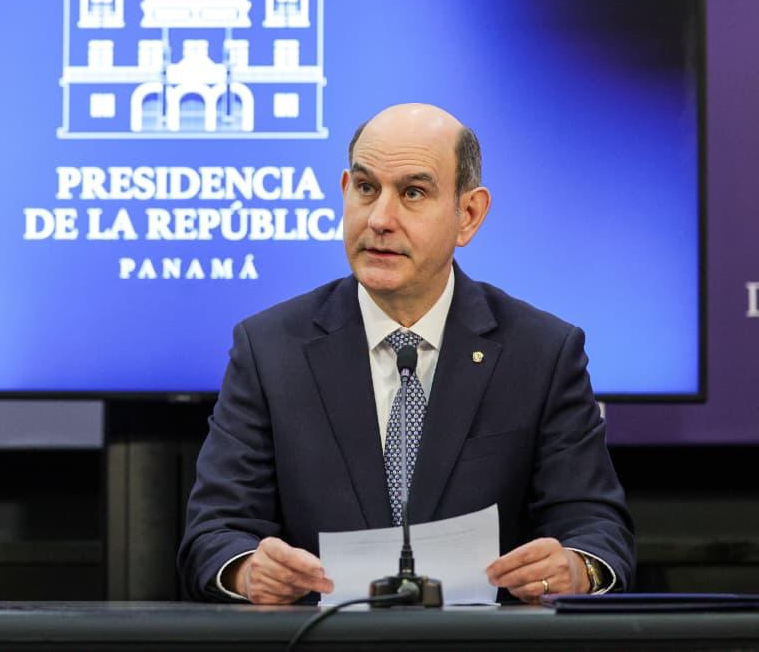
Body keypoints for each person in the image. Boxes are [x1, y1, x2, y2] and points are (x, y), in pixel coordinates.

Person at [178, 104, 634, 604]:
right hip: (320, 639)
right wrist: (246, 571)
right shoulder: (270, 349)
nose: (379, 219)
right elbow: (214, 533)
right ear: (344, 190)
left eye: (413, 193)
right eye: (366, 188)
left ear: (468, 215)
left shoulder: (541, 353)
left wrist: (576, 569)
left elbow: (597, 531)